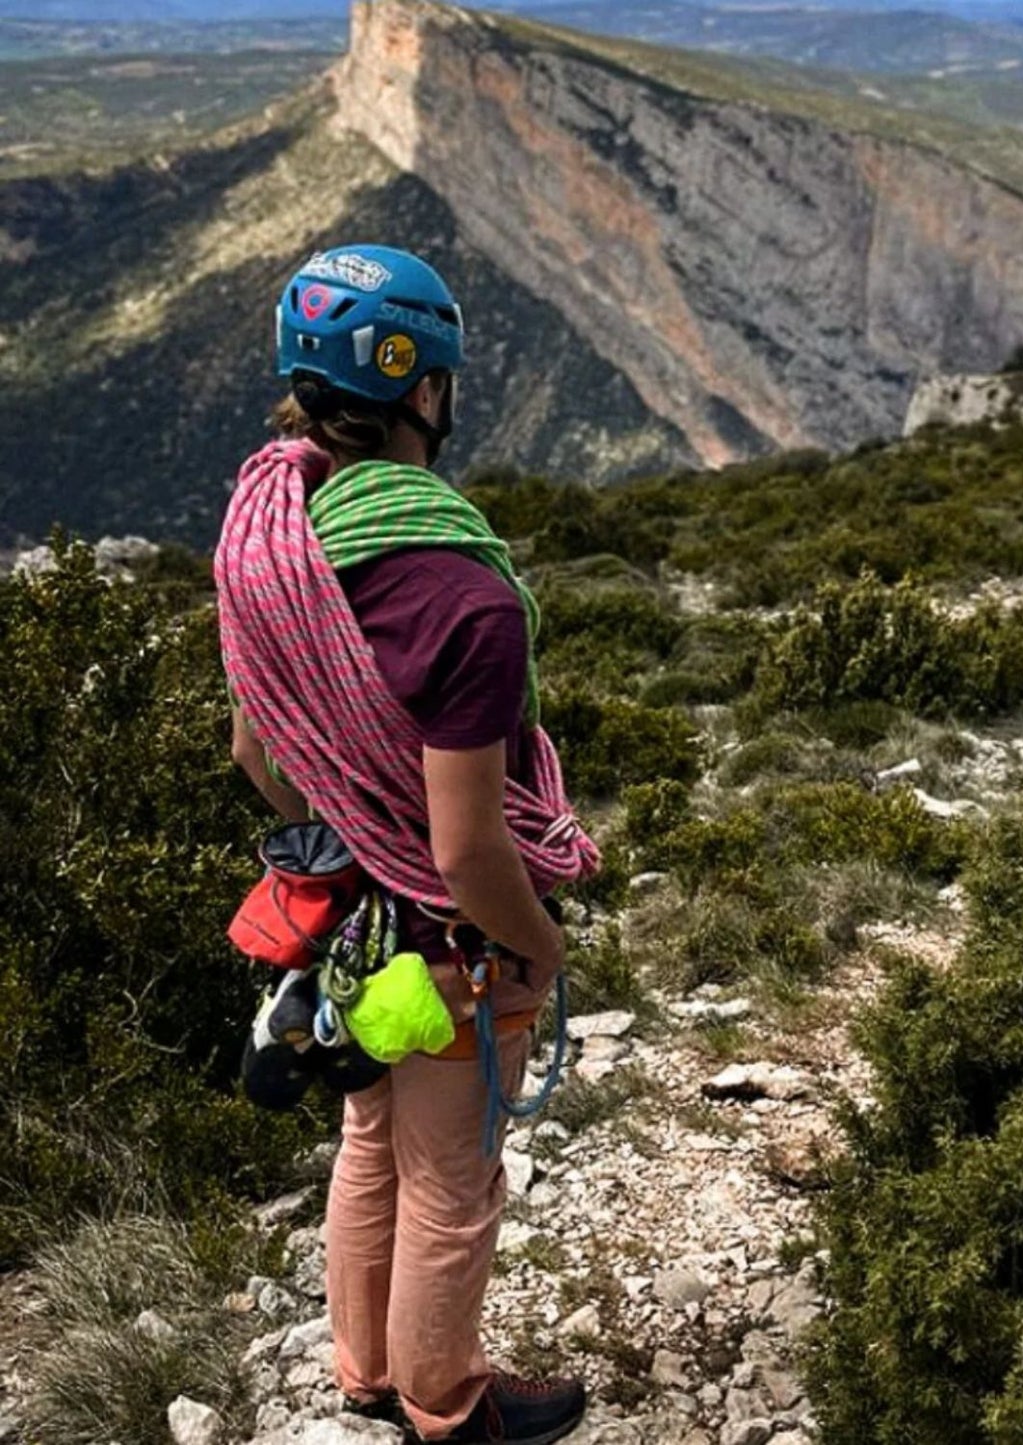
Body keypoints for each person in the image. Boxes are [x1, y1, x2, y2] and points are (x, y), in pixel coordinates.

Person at [215, 245, 599, 1445]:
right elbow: (471, 845)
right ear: (424, 389)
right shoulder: (463, 597)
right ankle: (448, 1405)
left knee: (369, 1142)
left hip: (347, 927)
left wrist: (351, 817)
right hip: (445, 943)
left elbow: (255, 752)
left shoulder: (279, 545)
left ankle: (362, 1366)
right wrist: (537, 945)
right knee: (452, 1182)